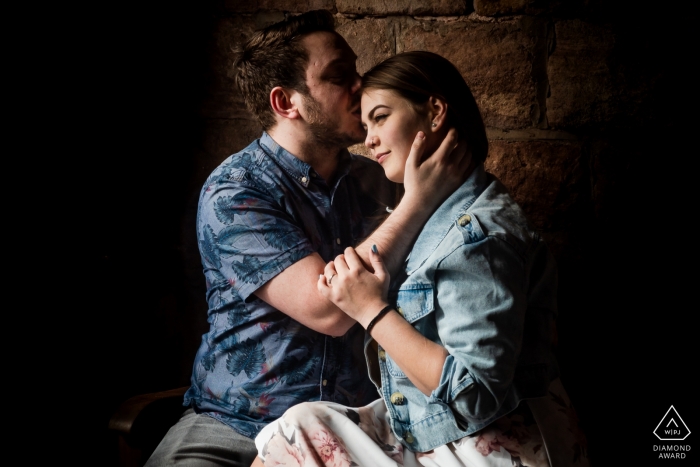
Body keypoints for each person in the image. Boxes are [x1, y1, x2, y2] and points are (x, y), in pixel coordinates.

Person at [145, 11, 471, 467]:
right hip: (235, 426)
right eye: (340, 77)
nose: (362, 87)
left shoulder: (377, 178)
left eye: (357, 71)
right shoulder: (235, 192)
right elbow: (328, 310)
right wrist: (418, 202)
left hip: (355, 422)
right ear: (286, 102)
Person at [252, 52, 590, 467]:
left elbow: (476, 396)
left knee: (298, 436)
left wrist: (370, 310)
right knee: (298, 428)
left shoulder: (477, 235)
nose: (367, 137)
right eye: (366, 121)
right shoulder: (437, 211)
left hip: (497, 447)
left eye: (379, 117)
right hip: (433, 428)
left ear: (434, 112)